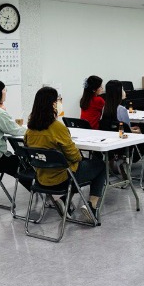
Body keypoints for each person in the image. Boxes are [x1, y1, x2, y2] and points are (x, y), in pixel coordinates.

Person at [25, 86, 107, 224]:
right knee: (100, 166)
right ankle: (92, 205)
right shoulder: (57, 127)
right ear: (53, 104)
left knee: (75, 168)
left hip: (41, 177)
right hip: (61, 178)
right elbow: (75, 157)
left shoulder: (30, 130)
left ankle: (65, 200)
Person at [99, 79, 141, 175]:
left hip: (111, 143)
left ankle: (112, 162)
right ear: (118, 92)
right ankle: (123, 162)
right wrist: (137, 131)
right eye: (123, 89)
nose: (124, 92)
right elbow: (127, 132)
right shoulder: (121, 110)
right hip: (123, 144)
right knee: (142, 136)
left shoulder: (104, 108)